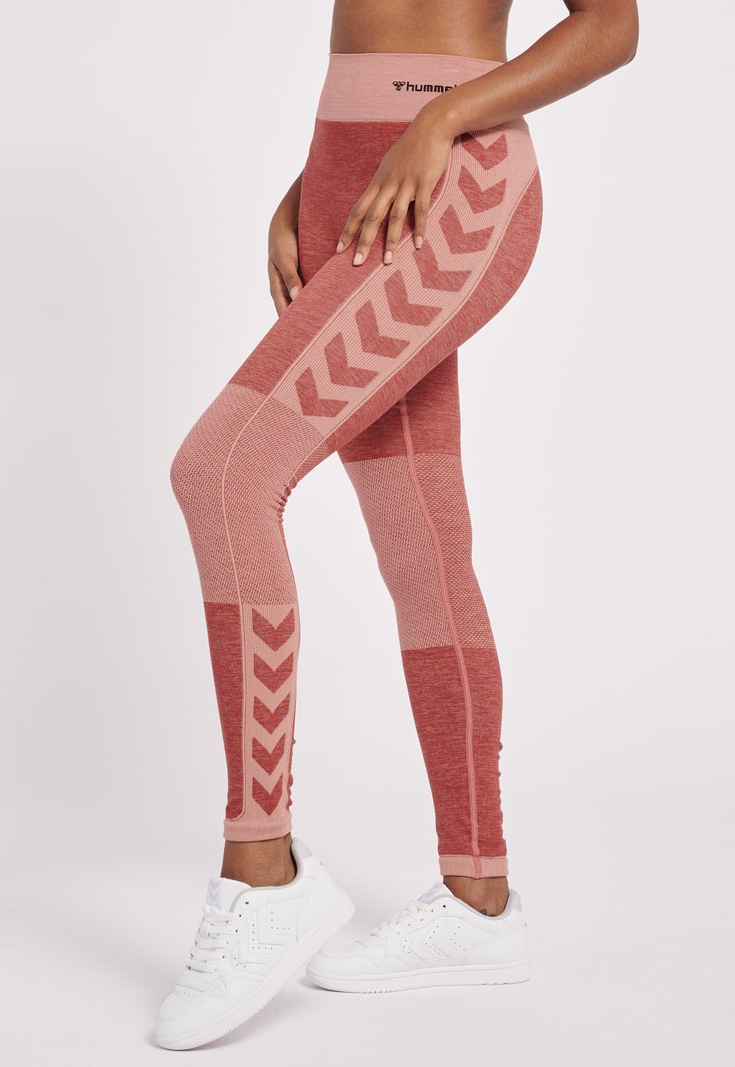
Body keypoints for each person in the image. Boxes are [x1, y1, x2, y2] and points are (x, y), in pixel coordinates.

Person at [154, 0, 639, 1049]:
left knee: (223, 473)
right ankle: (478, 898)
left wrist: (440, 118)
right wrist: (307, 185)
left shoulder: (449, 131)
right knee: (420, 544)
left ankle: (263, 869)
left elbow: (610, 26)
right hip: (350, 180)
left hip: (451, 172)